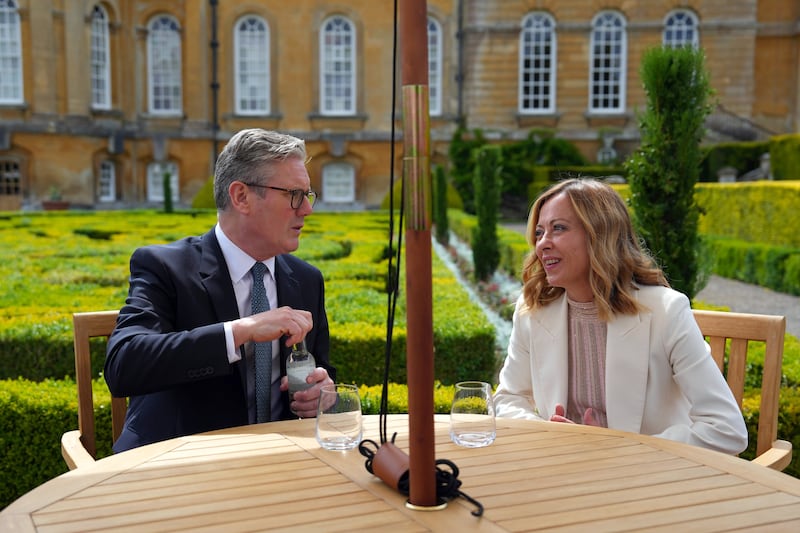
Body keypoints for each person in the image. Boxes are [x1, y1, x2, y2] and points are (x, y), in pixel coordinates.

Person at [105, 128, 334, 453]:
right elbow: (123, 366)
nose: (307, 210)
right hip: (177, 465)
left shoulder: (306, 279)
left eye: (308, 195)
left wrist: (323, 391)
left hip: (280, 461)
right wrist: (239, 332)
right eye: (294, 195)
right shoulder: (164, 267)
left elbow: (321, 367)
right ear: (241, 196)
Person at [493, 178, 748, 455]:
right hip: (565, 468)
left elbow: (727, 429)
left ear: (600, 234)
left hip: (647, 479)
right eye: (540, 232)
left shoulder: (666, 311)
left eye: (559, 228)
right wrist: (550, 434)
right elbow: (508, 398)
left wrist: (623, 448)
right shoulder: (532, 311)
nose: (542, 244)